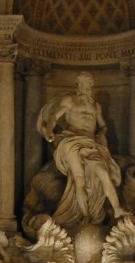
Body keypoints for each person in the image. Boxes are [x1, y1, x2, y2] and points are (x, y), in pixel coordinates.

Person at [37, 71, 128, 228]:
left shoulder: (95, 105)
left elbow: (102, 125)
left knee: (104, 173)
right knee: (79, 179)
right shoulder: (70, 100)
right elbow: (54, 117)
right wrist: (50, 129)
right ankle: (85, 215)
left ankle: (117, 208)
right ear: (77, 85)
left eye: (89, 82)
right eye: (83, 82)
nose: (86, 85)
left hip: (91, 142)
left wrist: (102, 134)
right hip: (72, 140)